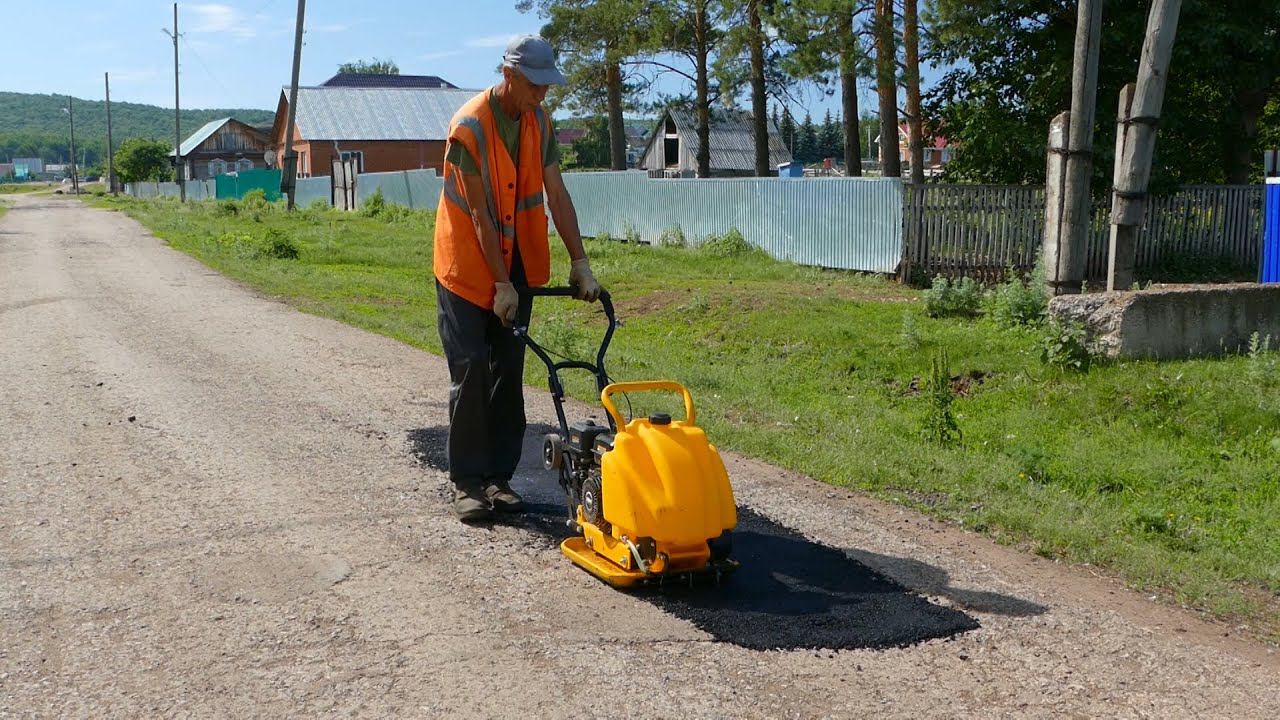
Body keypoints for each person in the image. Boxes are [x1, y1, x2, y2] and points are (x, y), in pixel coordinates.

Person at [433, 35, 602, 522]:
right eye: (535, 85)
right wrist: (498, 283)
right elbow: (481, 216)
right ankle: (467, 482)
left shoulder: (539, 121)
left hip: (517, 264)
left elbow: (557, 193)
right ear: (509, 76)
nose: (543, 94)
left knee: (507, 368)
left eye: (548, 86)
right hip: (466, 267)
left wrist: (580, 262)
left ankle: (497, 478)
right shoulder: (469, 128)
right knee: (471, 368)